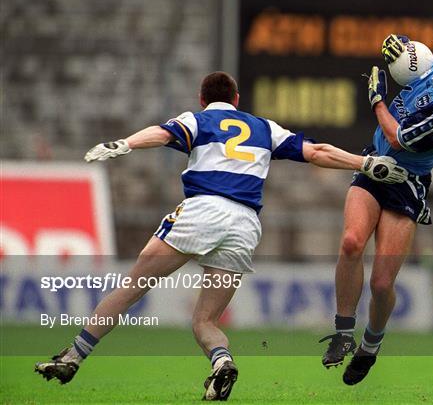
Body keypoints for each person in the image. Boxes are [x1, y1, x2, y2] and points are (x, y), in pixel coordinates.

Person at [34, 71, 408, 401]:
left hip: (203, 210)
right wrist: (365, 163)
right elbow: (318, 151)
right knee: (206, 322)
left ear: (202, 99)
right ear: (237, 100)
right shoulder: (264, 127)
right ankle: (222, 363)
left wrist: (124, 144)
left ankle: (73, 357)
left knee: (132, 287)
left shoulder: (197, 120)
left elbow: (162, 133)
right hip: (244, 225)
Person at [319, 27, 433, 385]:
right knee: (350, 243)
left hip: (407, 183)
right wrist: (398, 47)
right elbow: (413, 62)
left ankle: (370, 346)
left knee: (381, 282)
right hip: (374, 165)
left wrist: (377, 99)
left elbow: (398, 136)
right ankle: (344, 331)